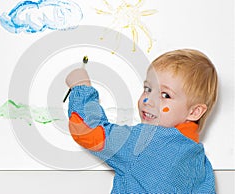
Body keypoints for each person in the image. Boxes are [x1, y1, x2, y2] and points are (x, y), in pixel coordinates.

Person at [65, 49, 217, 193]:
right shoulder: (201, 164)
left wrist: (81, 87)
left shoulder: (147, 141)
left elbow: (88, 131)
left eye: (165, 95)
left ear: (194, 112)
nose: (148, 100)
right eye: (148, 88)